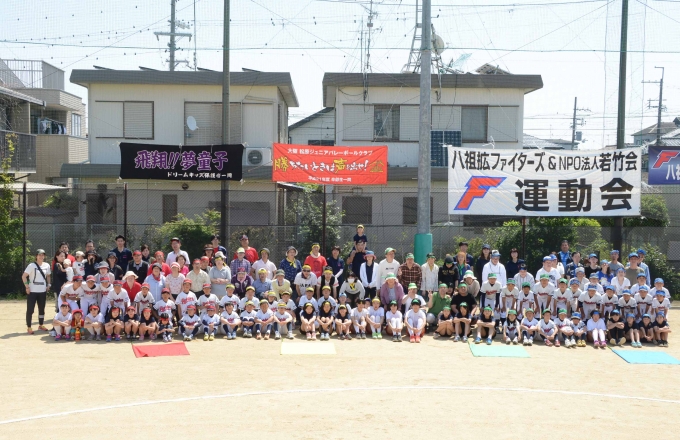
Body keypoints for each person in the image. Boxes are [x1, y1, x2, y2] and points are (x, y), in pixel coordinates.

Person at [22, 249, 52, 334]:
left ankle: (41, 325)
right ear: (36, 256)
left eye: (43, 255)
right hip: (32, 291)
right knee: (30, 309)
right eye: (40, 255)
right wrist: (27, 287)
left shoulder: (46, 265)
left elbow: (48, 276)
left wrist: (49, 285)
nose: (41, 256)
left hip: (42, 291)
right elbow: (24, 276)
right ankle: (29, 327)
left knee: (42, 309)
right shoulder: (31, 265)